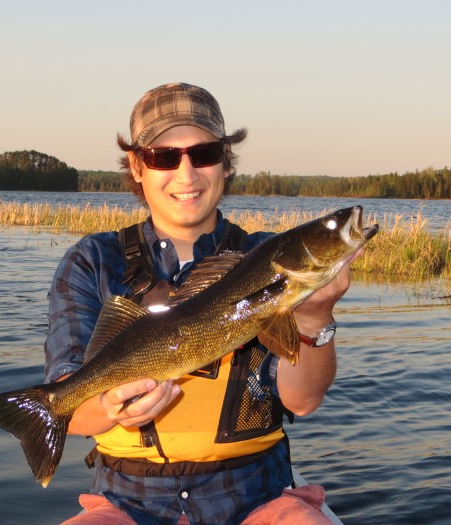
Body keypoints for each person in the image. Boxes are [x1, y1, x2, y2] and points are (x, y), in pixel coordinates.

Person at [44, 82, 356, 525]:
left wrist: (315, 316)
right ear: (137, 166)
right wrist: (109, 406)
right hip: (128, 503)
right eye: (164, 157)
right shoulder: (93, 262)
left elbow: (303, 401)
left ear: (225, 162)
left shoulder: (264, 259)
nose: (186, 174)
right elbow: (70, 412)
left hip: (257, 497)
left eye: (204, 153)